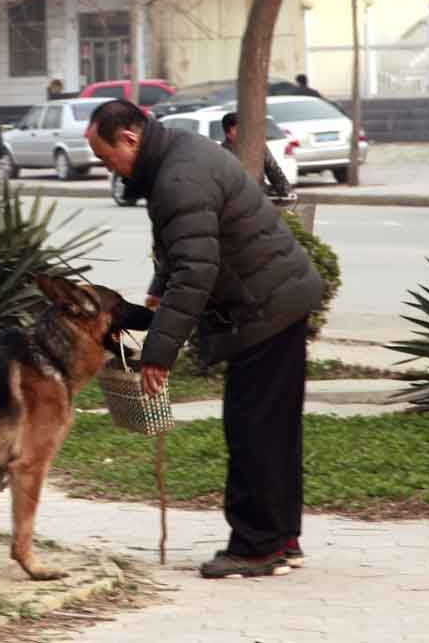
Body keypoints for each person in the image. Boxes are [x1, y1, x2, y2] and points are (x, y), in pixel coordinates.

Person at [85, 100, 324, 580]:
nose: (105, 166)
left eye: (106, 155)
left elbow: (196, 269)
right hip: (275, 301)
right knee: (273, 430)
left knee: (252, 430)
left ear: (129, 138)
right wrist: (157, 299)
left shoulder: (177, 177)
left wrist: (159, 355)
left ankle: (256, 547)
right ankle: (282, 538)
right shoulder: (177, 156)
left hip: (265, 308)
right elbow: (185, 250)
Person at [219, 112, 291, 197]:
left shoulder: (257, 145)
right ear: (230, 131)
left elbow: (272, 169)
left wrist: (284, 189)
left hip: (260, 195)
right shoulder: (222, 153)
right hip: (235, 199)